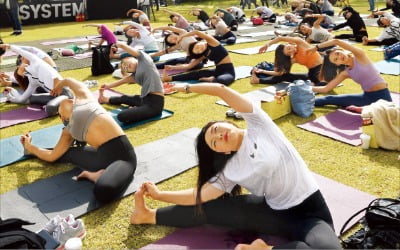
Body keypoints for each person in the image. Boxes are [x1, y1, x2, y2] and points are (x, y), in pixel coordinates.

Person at [129, 82, 341, 249]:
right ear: (223, 151)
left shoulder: (260, 126)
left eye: (216, 130)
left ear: (228, 123)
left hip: (310, 213)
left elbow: (221, 90)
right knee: (208, 208)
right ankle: (147, 215)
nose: (219, 136)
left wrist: (186, 87)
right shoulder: (231, 170)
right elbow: (200, 195)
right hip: (272, 212)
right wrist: (159, 195)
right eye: (215, 142)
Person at [20, 78, 136, 203]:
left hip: (123, 158)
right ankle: (32, 151)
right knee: (66, 152)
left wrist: (29, 146)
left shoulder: (69, 130)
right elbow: (71, 81)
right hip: (100, 155)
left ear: (63, 117)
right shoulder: (87, 99)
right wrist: (59, 86)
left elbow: (52, 156)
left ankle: (93, 176)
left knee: (102, 191)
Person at [310, 39, 392, 107]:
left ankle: (364, 109)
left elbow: (336, 41)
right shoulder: (346, 73)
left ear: (341, 50)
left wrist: (316, 47)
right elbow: (326, 89)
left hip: (383, 96)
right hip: (367, 98)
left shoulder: (360, 56)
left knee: (380, 113)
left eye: (338, 53)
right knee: (330, 99)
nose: (339, 57)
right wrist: (307, 88)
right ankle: (299, 103)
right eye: (336, 59)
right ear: (337, 64)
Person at [99, 42, 164, 124]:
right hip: (144, 99)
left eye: (126, 62)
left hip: (155, 104)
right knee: (124, 98)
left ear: (132, 57)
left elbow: (126, 47)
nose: (126, 66)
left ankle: (136, 110)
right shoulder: (134, 76)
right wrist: (107, 86)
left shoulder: (145, 60)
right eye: (124, 67)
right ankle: (105, 99)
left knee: (122, 116)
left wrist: (119, 45)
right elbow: (122, 81)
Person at [0, 44, 71, 115]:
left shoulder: (36, 61)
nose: (21, 58)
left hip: (64, 93)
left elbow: (21, 51)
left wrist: (7, 46)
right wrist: (12, 95)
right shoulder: (32, 80)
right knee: (30, 98)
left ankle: (65, 103)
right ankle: (60, 103)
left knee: (50, 108)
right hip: (53, 95)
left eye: (22, 57)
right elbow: (22, 99)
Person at [161, 30, 235, 86]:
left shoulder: (212, 42)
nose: (200, 49)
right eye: (198, 51)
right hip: (217, 70)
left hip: (228, 71)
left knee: (222, 80)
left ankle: (212, 79)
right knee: (195, 74)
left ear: (197, 42)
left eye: (197, 47)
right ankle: (169, 78)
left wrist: (182, 36)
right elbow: (189, 66)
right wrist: (172, 67)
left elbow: (196, 32)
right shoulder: (204, 53)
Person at [251, 37, 324, 85]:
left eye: (289, 48)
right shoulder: (293, 59)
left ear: (289, 44)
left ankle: (315, 83)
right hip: (311, 75)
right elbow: (279, 73)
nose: (291, 50)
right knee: (284, 76)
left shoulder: (300, 43)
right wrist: (262, 71)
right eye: (288, 53)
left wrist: (267, 45)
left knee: (321, 82)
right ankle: (258, 80)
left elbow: (280, 38)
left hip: (321, 70)